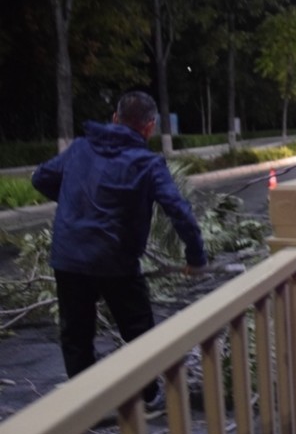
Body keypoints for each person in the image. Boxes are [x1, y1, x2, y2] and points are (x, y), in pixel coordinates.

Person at [31, 90, 207, 411]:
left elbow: (40, 177)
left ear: (115, 118)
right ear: (150, 127)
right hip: (117, 261)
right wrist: (195, 258)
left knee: (76, 335)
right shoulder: (148, 163)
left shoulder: (80, 148)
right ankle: (148, 397)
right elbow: (178, 210)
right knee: (138, 330)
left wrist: (75, 205)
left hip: (69, 258)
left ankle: (88, 406)